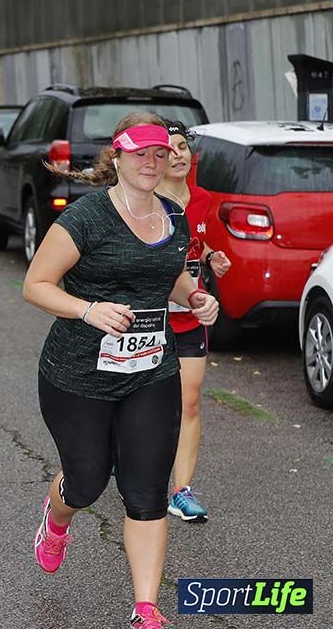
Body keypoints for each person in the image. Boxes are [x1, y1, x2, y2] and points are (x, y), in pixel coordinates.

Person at [22, 112, 219, 629]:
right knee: (86, 483)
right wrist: (89, 309)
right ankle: (57, 519)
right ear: (119, 156)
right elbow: (36, 284)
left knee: (147, 489)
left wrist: (195, 297)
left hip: (151, 371)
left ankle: (146, 609)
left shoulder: (173, 217)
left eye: (161, 153)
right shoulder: (87, 218)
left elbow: (170, 274)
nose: (153, 163)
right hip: (77, 375)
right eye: (141, 154)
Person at [156, 120, 232, 523]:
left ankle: (180, 491)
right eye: (169, 148)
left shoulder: (202, 199)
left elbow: (198, 246)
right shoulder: (146, 200)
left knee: (188, 402)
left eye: (183, 146)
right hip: (147, 320)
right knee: (141, 402)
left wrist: (210, 258)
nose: (178, 154)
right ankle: (120, 455)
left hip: (189, 317)